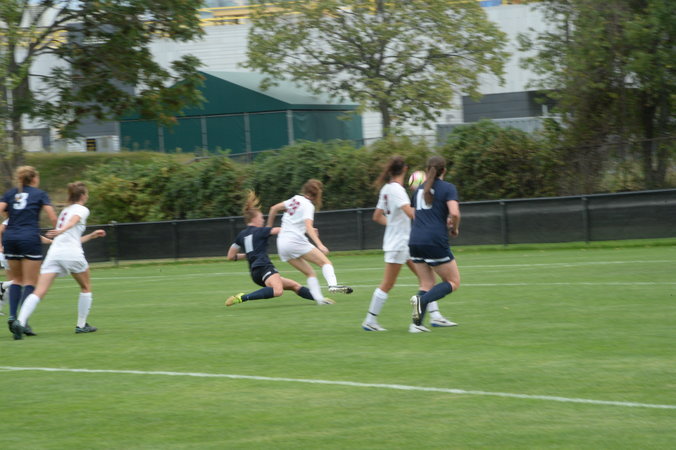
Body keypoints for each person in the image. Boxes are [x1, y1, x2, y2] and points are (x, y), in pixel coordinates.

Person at [362, 156, 457, 332]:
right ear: (405, 169)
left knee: (426, 281)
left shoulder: (386, 188)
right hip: (401, 243)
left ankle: (434, 317)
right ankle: (370, 320)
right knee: (388, 283)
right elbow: (413, 214)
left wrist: (393, 224)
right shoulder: (398, 190)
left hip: (404, 242)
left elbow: (377, 216)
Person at [10, 181, 106, 340]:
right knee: (86, 287)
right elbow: (74, 221)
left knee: (39, 291)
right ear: (83, 195)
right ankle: (81, 325)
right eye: (87, 193)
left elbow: (70, 236)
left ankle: (20, 322)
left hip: (54, 253)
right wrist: (61, 230)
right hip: (72, 253)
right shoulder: (82, 209)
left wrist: (91, 235)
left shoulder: (65, 211)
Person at [225, 191, 334, 306]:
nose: (263, 220)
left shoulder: (241, 235)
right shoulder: (261, 231)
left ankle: (320, 299)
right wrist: (308, 230)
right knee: (278, 291)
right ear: (254, 219)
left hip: (255, 273)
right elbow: (283, 230)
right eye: (261, 218)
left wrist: (248, 255)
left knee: (294, 286)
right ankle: (242, 297)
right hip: (264, 267)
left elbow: (230, 256)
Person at [266, 179, 352, 303]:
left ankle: (320, 300)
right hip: (295, 241)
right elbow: (308, 226)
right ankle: (333, 285)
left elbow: (273, 208)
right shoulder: (308, 205)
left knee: (310, 273)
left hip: (282, 244)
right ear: (316, 194)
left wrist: (268, 228)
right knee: (325, 263)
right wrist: (320, 244)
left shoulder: (295, 199)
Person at [0, 166, 57, 337]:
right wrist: (58, 230)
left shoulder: (10, 193)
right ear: (34, 179)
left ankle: (12, 316)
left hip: (10, 238)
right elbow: (52, 216)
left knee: (16, 279)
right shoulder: (39, 194)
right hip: (29, 238)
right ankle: (21, 321)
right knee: (31, 282)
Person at [408, 156, 462, 333]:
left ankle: (416, 325)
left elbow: (416, 215)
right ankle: (422, 301)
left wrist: (439, 220)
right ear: (444, 170)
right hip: (434, 240)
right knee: (453, 281)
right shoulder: (448, 188)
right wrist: (454, 228)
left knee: (426, 284)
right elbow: (455, 213)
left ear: (427, 170)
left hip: (415, 240)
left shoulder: (419, 190)